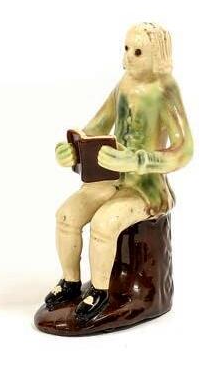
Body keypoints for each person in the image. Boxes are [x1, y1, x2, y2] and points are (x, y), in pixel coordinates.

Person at [44, 23, 193, 323]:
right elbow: (97, 125)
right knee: (66, 216)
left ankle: (99, 292)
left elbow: (184, 150)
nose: (127, 58)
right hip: (111, 178)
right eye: (126, 49)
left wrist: (138, 160)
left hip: (145, 186)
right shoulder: (124, 85)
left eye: (137, 52)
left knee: (105, 222)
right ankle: (70, 282)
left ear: (158, 56)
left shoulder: (165, 91)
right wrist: (75, 148)